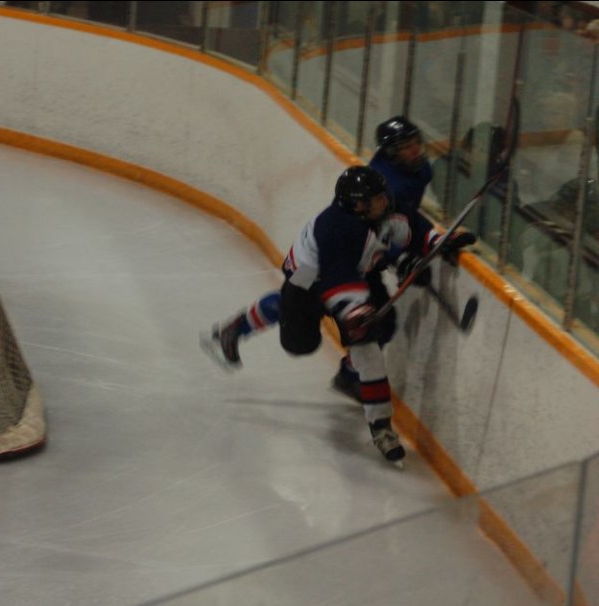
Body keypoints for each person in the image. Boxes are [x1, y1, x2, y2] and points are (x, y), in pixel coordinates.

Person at [201, 166, 470, 467]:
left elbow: (410, 227)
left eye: (383, 195)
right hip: (308, 283)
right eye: (377, 198)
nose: (386, 201)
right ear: (358, 204)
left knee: (372, 343)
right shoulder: (337, 228)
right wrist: (356, 310)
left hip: (352, 277)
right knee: (301, 344)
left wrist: (433, 244)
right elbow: (337, 276)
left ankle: (379, 424)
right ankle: (235, 328)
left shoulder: (376, 213)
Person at [325, 115, 476, 400]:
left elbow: (407, 218)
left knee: (383, 324)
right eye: (407, 146)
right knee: (374, 323)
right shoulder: (384, 185)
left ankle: (349, 372)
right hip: (350, 259)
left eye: (416, 142)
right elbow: (374, 231)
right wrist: (400, 259)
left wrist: (434, 240)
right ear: (391, 153)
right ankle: (349, 373)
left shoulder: (419, 170)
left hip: (375, 247)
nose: (416, 150)